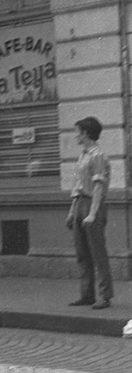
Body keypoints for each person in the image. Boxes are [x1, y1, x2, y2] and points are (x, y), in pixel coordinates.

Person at [67, 116, 114, 310]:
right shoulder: (83, 156)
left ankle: (105, 296)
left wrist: (92, 213)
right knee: (82, 253)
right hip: (80, 204)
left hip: (93, 205)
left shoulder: (98, 156)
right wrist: (72, 212)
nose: (75, 136)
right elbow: (78, 187)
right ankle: (87, 295)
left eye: (77, 132)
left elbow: (98, 187)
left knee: (97, 253)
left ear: (86, 133)